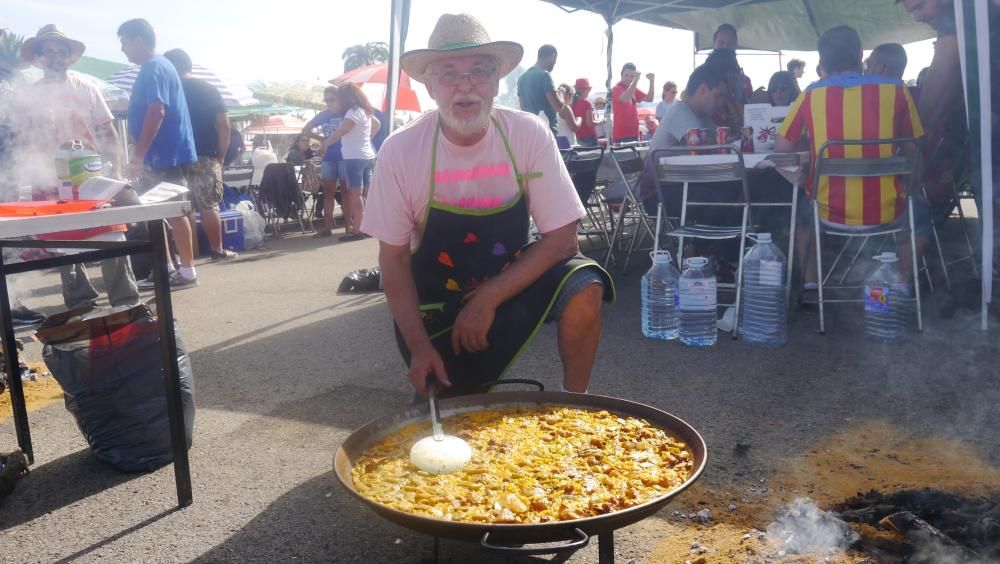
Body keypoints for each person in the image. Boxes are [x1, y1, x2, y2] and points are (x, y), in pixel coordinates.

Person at [362, 13, 612, 399]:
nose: (465, 86)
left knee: (584, 283)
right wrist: (419, 348)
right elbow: (393, 262)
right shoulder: (400, 150)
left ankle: (575, 407)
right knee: (447, 426)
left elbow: (564, 239)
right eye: (448, 74)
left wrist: (487, 298)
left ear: (497, 81)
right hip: (435, 306)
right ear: (430, 86)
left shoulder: (527, 133)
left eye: (479, 71)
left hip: (509, 285)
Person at [774, 25, 928, 302]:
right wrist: (911, 188)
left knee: (800, 211)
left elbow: (782, 149)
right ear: (859, 56)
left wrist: (812, 146)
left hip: (827, 210)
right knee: (923, 214)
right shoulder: (896, 90)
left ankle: (811, 283)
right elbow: (914, 150)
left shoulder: (810, 94)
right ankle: (902, 282)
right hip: (888, 210)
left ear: (823, 62)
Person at [20, 25, 141, 311]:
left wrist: (118, 169)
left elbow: (108, 133)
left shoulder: (87, 90)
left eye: (61, 51)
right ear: (38, 57)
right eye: (48, 52)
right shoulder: (29, 98)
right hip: (49, 180)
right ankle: (81, 305)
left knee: (113, 235)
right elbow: (22, 140)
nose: (55, 57)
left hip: (91, 176)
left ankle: (126, 304)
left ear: (69, 57)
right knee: (64, 243)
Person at [118, 18, 199, 288]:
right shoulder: (156, 66)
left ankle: (187, 271)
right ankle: (164, 268)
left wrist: (139, 154)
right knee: (155, 212)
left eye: (125, 42)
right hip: (162, 154)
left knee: (173, 211)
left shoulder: (154, 66)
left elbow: (157, 110)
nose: (122, 49)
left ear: (139, 40)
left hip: (165, 154)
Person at [163, 48, 237, 262]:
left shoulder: (168, 89)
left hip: (175, 156)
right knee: (209, 206)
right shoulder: (209, 89)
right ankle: (217, 249)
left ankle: (185, 256)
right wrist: (221, 156)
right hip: (206, 154)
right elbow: (224, 126)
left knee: (178, 208)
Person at [321, 83, 380, 241]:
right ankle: (367, 228)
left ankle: (358, 230)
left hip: (354, 157)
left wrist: (326, 143)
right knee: (363, 194)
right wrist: (366, 139)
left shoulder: (352, 113)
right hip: (367, 156)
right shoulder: (364, 111)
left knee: (356, 194)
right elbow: (377, 125)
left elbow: (342, 131)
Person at [302, 86, 347, 238]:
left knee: (346, 193)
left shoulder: (346, 113)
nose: (328, 103)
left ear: (339, 98)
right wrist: (324, 140)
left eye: (331, 99)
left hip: (344, 156)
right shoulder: (323, 115)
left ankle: (349, 226)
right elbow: (306, 129)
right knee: (328, 193)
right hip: (328, 157)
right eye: (326, 100)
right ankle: (327, 228)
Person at [516, 45, 575, 137]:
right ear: (553, 56)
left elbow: (523, 109)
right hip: (547, 135)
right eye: (555, 61)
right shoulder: (545, 75)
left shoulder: (522, 79)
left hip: (531, 133)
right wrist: (561, 93)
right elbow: (559, 107)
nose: (555, 64)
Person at [611, 62, 654, 143]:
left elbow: (649, 98)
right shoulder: (616, 89)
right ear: (621, 74)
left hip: (635, 133)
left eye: (631, 76)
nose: (628, 78)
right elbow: (626, 98)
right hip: (621, 136)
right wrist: (636, 80)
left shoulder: (633, 88)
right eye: (626, 75)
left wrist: (651, 81)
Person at [704, 48, 745, 129]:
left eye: (739, 71)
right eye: (735, 71)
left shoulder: (734, 104)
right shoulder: (706, 109)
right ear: (720, 73)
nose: (738, 76)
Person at [712, 24, 753, 101]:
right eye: (721, 43)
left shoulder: (745, 81)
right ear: (714, 45)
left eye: (730, 43)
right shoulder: (700, 76)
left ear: (736, 46)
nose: (725, 47)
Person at [571, 78, 598, 147]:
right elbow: (590, 123)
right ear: (585, 90)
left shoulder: (571, 104)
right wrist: (602, 121)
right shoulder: (587, 104)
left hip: (577, 138)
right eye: (588, 90)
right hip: (590, 138)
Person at [555, 83, 580, 147]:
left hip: (557, 145)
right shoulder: (565, 108)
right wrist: (579, 119)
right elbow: (574, 127)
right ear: (569, 95)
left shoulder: (551, 108)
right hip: (569, 146)